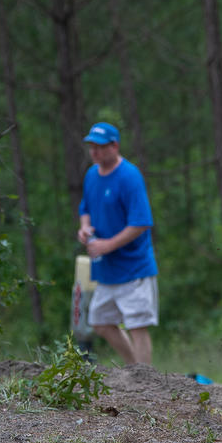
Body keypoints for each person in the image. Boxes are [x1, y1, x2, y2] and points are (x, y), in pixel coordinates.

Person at [77, 122, 158, 365]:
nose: (95, 152)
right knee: (100, 322)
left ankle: (146, 380)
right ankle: (135, 368)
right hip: (106, 270)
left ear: (115, 146)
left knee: (137, 325)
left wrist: (107, 245)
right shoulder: (91, 175)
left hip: (134, 268)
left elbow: (141, 222)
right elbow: (85, 209)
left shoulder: (129, 177)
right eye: (92, 147)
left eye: (100, 147)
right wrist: (84, 228)